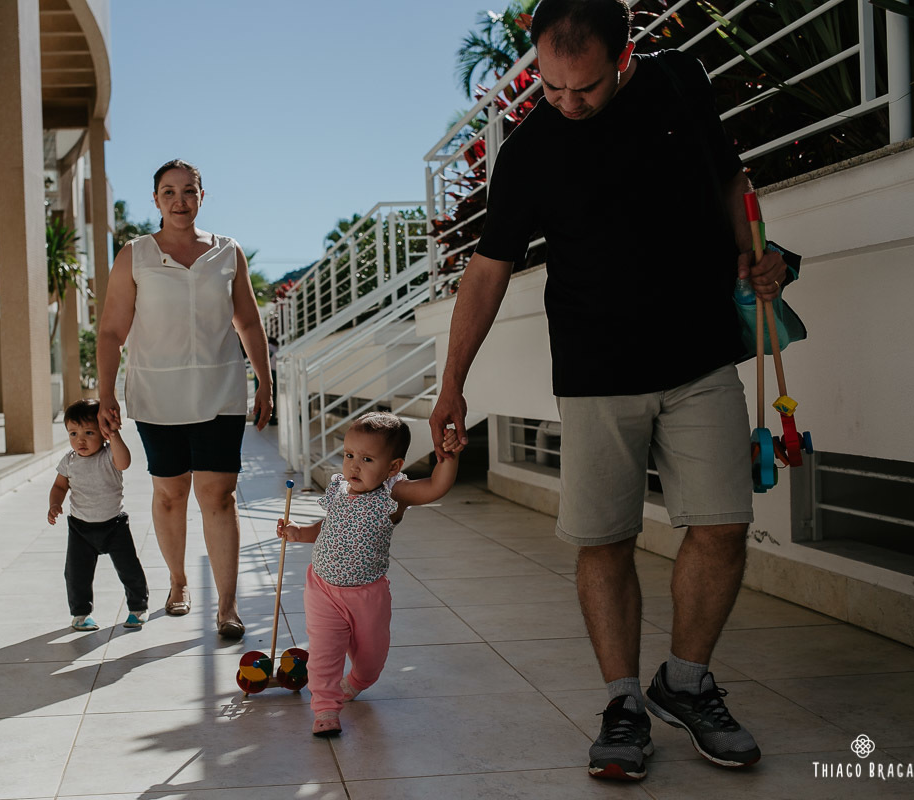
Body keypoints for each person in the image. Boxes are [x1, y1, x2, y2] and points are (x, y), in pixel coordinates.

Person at [428, 0, 789, 782]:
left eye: (583, 87)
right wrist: (452, 383)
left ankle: (686, 683)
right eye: (550, 86)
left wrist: (758, 250)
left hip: (699, 357)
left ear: (624, 56)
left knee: (724, 526)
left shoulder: (681, 81)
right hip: (595, 374)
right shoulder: (526, 153)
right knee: (605, 540)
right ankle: (623, 703)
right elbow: (486, 272)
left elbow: (730, 179)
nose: (566, 102)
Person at [97, 159, 272, 640]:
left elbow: (249, 323)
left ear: (202, 196)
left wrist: (264, 382)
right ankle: (177, 582)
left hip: (220, 391)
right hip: (158, 393)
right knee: (170, 495)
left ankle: (228, 607)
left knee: (220, 495)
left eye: (189, 191)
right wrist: (105, 392)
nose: (180, 200)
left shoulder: (227, 253)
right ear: (155, 200)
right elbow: (112, 330)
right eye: (169, 192)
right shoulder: (135, 255)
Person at [277, 413, 463, 737]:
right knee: (323, 653)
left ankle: (357, 682)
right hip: (322, 587)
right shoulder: (339, 488)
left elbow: (435, 487)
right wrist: (299, 532)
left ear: (392, 467)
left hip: (368, 596)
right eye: (349, 455)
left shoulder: (393, 493)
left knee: (371, 658)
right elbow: (330, 527)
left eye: (366, 459)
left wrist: (448, 458)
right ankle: (325, 707)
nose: (354, 467)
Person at [48, 399, 149, 632]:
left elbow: (124, 462)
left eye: (89, 432)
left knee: (129, 568)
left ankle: (137, 608)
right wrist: (54, 503)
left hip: (114, 525)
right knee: (76, 574)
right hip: (80, 528)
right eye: (73, 433)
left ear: (103, 433)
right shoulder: (69, 461)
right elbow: (60, 486)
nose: (80, 440)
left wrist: (114, 435)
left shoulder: (109, 456)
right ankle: (81, 614)